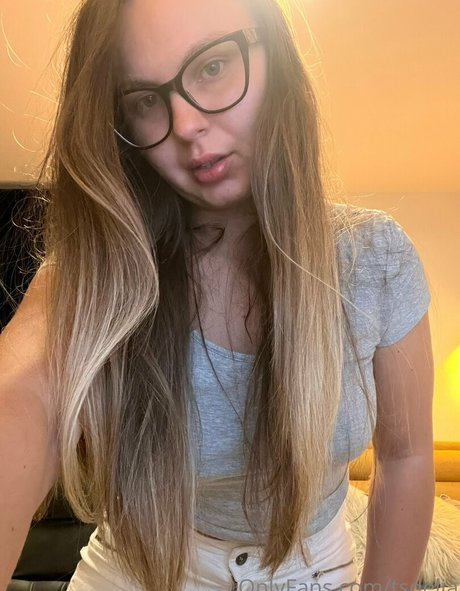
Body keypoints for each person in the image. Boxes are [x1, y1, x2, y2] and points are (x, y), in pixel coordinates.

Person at [0, 0, 435, 590]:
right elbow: (18, 400)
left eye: (211, 67)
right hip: (138, 568)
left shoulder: (374, 260)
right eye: (145, 100)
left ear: (274, 58)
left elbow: (406, 458)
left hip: (314, 567)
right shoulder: (97, 276)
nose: (185, 126)